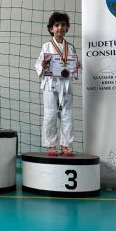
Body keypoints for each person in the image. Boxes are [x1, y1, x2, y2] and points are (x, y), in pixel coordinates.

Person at [35, 12, 80, 156]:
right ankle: (51, 145)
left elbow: (74, 67)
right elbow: (39, 65)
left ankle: (66, 145)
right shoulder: (46, 47)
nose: (60, 28)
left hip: (66, 85)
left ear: (67, 28)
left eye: (63, 25)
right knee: (50, 114)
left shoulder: (71, 47)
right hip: (50, 85)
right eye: (56, 25)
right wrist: (42, 65)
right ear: (51, 29)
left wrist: (77, 66)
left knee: (67, 115)